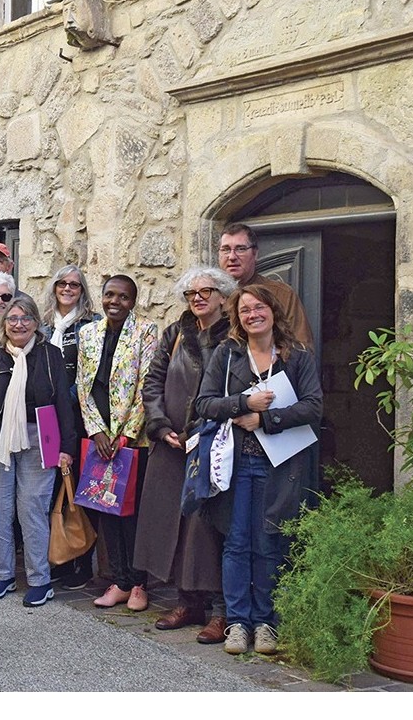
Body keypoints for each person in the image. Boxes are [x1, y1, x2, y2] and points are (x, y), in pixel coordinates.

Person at [195, 284, 322, 656]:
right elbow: (204, 403)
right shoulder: (227, 354)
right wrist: (243, 403)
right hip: (235, 463)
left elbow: (313, 407)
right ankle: (237, 623)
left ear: (273, 311)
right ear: (238, 318)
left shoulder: (297, 356)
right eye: (245, 310)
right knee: (236, 542)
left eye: (259, 307)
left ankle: (266, 623)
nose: (253, 315)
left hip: (279, 464)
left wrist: (266, 419)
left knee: (269, 542)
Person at [137, 266, 236, 644]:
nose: (198, 298)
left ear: (223, 297)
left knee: (210, 528)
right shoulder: (176, 333)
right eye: (192, 293)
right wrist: (160, 426)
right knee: (175, 524)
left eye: (206, 291)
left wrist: (205, 431)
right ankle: (188, 602)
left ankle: (222, 611)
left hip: (214, 445)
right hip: (172, 446)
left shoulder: (235, 335)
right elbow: (153, 382)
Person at [0, 294, 76, 606]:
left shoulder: (50, 355)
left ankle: (40, 580)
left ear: (35, 323)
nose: (19, 324)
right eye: (13, 318)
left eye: (25, 318)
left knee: (32, 510)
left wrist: (66, 448)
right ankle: (3, 575)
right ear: (4, 323)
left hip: (40, 441)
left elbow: (63, 404)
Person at [77, 274, 158, 612]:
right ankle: (120, 580)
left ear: (133, 301)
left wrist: (125, 434)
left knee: (132, 513)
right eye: (110, 295)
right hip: (100, 439)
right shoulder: (88, 333)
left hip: (132, 440)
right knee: (106, 508)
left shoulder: (146, 331)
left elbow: (146, 385)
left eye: (123, 297)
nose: (115, 302)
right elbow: (83, 386)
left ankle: (138, 583)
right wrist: (97, 431)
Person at [40, 264, 101, 590]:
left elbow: (90, 373)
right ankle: (59, 557)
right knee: (52, 487)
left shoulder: (92, 324)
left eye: (74, 285)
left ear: (82, 290)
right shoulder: (42, 323)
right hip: (45, 417)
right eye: (62, 283)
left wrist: (63, 400)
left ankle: (82, 562)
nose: (67, 288)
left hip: (77, 415)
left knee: (77, 487)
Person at [216, 222, 312, 348]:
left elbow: (302, 347)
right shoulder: (207, 295)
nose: (232, 256)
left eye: (240, 249)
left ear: (255, 254)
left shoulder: (281, 294)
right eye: (226, 249)